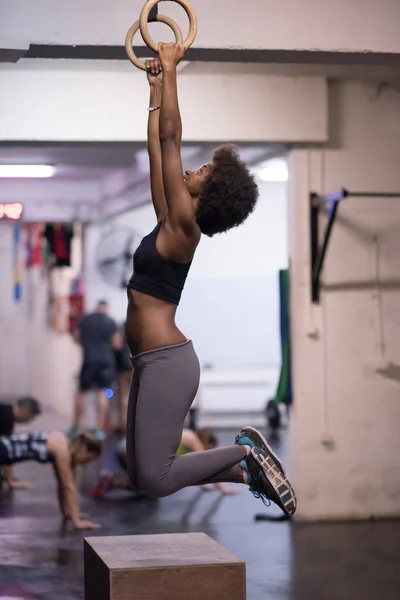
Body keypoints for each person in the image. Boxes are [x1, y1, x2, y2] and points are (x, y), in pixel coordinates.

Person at [124, 44, 297, 517]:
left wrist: (174, 71)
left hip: (167, 363)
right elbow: (156, 149)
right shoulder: (170, 223)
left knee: (155, 480)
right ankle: (247, 472)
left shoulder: (185, 228)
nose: (194, 169)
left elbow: (170, 140)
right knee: (139, 476)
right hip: (151, 361)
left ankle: (245, 451)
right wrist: (155, 92)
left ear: (210, 193)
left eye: (204, 172)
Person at [0, 430, 102, 529]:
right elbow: (68, 487)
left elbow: (62, 484)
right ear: (83, 449)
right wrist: (77, 521)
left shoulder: (63, 445)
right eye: (89, 458)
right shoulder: (63, 452)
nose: (86, 463)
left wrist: (68, 512)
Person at [71, 300, 122, 437]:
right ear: (106, 308)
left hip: (89, 359)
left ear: (96, 307)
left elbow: (76, 337)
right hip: (106, 361)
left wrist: (88, 343)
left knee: (82, 392)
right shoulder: (111, 322)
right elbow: (117, 344)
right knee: (102, 392)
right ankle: (99, 429)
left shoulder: (85, 320)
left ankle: (76, 426)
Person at [0, 396, 41, 489]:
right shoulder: (7, 417)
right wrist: (10, 480)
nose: (27, 422)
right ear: (26, 410)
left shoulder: (5, 411)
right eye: (30, 418)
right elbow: (6, 450)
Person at [114, 320, 133, 433]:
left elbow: (117, 345)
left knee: (123, 398)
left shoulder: (123, 326)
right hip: (137, 366)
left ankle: (123, 426)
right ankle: (132, 426)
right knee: (134, 397)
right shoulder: (143, 325)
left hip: (123, 367)